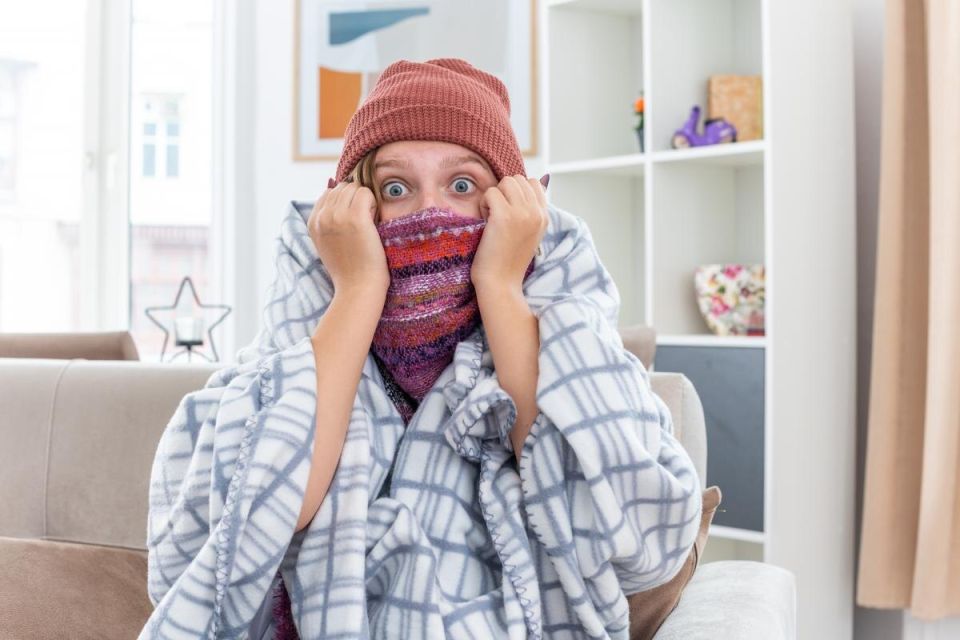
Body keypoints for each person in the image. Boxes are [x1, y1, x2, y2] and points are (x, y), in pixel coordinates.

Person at [144, 57, 701, 640]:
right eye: (395, 188)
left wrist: (500, 284)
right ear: (355, 210)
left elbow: (638, 543)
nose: (429, 213)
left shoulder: (569, 330)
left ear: (508, 208)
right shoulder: (295, 345)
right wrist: (358, 288)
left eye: (462, 185)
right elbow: (254, 533)